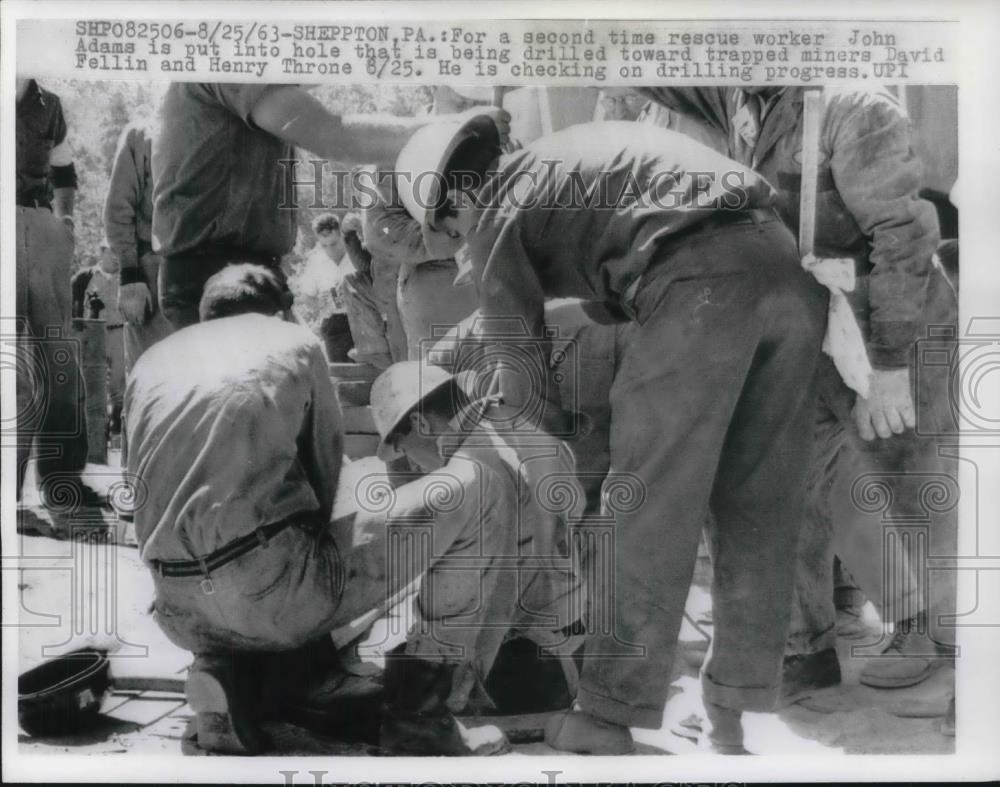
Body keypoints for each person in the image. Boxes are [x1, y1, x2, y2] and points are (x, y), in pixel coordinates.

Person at [395, 116, 828, 753]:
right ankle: (734, 708)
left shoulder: (492, 211)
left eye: (450, 231)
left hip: (696, 287)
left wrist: (548, 474)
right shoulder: (568, 161)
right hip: (783, 268)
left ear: (455, 198)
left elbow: (524, 389)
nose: (460, 241)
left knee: (644, 503)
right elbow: (623, 280)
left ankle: (608, 713)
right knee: (756, 505)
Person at [124, 264, 554, 756]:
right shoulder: (295, 345)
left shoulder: (150, 361)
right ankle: (421, 715)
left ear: (205, 315)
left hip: (178, 609)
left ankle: (225, 674)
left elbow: (140, 500)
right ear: (283, 311)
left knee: (242, 550)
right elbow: (324, 488)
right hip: (267, 593)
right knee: (473, 486)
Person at [640, 86, 959, 695]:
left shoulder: (855, 108)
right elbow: (652, 62)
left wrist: (890, 366)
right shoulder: (741, 96)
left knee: (922, 490)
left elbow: (902, 235)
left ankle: (956, 667)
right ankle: (800, 651)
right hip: (810, 325)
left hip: (891, 325)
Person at [151, 83, 508, 332]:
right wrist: (453, 126)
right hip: (216, 280)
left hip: (234, 274)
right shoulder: (228, 50)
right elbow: (333, 134)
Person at [15, 77, 96, 510]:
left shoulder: (50, 103)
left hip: (41, 225)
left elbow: (64, 171)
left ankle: (61, 482)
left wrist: (64, 221)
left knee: (59, 357)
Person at [105, 119, 172, 373]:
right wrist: (131, 276)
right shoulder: (143, 135)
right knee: (149, 381)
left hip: (205, 275)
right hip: (152, 278)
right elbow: (118, 210)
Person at [70, 240, 126, 435]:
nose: (117, 257)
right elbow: (74, 309)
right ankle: (94, 430)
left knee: (118, 383)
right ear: (102, 252)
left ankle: (116, 427)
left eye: (120, 252)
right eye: (112, 252)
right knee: (93, 381)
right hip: (93, 333)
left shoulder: (126, 276)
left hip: (119, 331)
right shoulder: (84, 277)